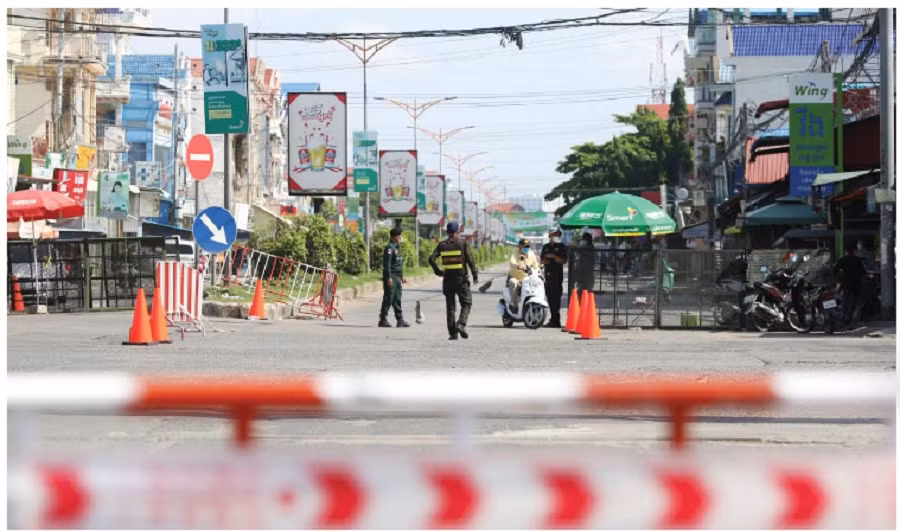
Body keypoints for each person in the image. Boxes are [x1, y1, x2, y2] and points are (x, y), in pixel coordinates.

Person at [429, 221, 478, 340]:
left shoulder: (442, 245)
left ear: (447, 232)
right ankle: (461, 324)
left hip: (447, 280)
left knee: (450, 306)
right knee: (466, 302)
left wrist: (438, 271)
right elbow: (470, 260)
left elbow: (431, 258)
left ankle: (453, 333)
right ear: (457, 231)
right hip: (461, 279)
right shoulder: (462, 243)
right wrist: (475, 274)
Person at [378, 228, 410, 328]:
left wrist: (402, 276)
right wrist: (388, 278)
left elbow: (398, 264)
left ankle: (400, 320)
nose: (401, 237)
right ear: (394, 237)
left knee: (397, 298)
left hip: (397, 276)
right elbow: (387, 265)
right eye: (399, 235)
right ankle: (383, 319)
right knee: (388, 298)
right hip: (391, 276)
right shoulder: (389, 248)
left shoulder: (397, 247)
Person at [540, 228, 568, 328]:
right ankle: (553, 319)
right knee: (550, 298)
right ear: (550, 236)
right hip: (548, 276)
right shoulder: (545, 247)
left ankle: (556, 320)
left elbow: (563, 261)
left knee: (556, 298)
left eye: (557, 234)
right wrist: (551, 257)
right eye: (554, 234)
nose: (556, 236)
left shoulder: (562, 247)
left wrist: (553, 256)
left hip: (557, 277)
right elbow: (543, 261)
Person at [834, 243, 866, 325]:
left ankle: (844, 317)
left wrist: (839, 278)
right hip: (857, 283)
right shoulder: (858, 260)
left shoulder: (843, 260)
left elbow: (835, 269)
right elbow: (863, 272)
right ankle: (851, 316)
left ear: (847, 252)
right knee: (855, 301)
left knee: (846, 300)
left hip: (847, 283)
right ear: (854, 251)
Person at [508, 238, 539, 312]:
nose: (526, 248)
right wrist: (517, 266)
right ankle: (515, 305)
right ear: (519, 246)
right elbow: (512, 263)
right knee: (512, 282)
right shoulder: (515, 254)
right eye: (524, 246)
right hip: (517, 279)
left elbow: (536, 266)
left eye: (527, 246)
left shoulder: (531, 254)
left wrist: (538, 270)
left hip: (529, 279)